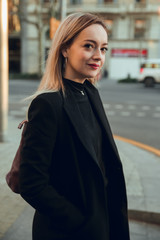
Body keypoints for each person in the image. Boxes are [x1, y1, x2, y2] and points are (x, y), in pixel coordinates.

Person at [19, 12, 130, 240]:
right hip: (69, 231)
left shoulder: (90, 93)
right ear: (65, 49)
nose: (98, 55)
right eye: (89, 46)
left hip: (104, 223)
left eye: (103, 48)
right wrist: (80, 222)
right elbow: (31, 183)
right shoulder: (48, 104)